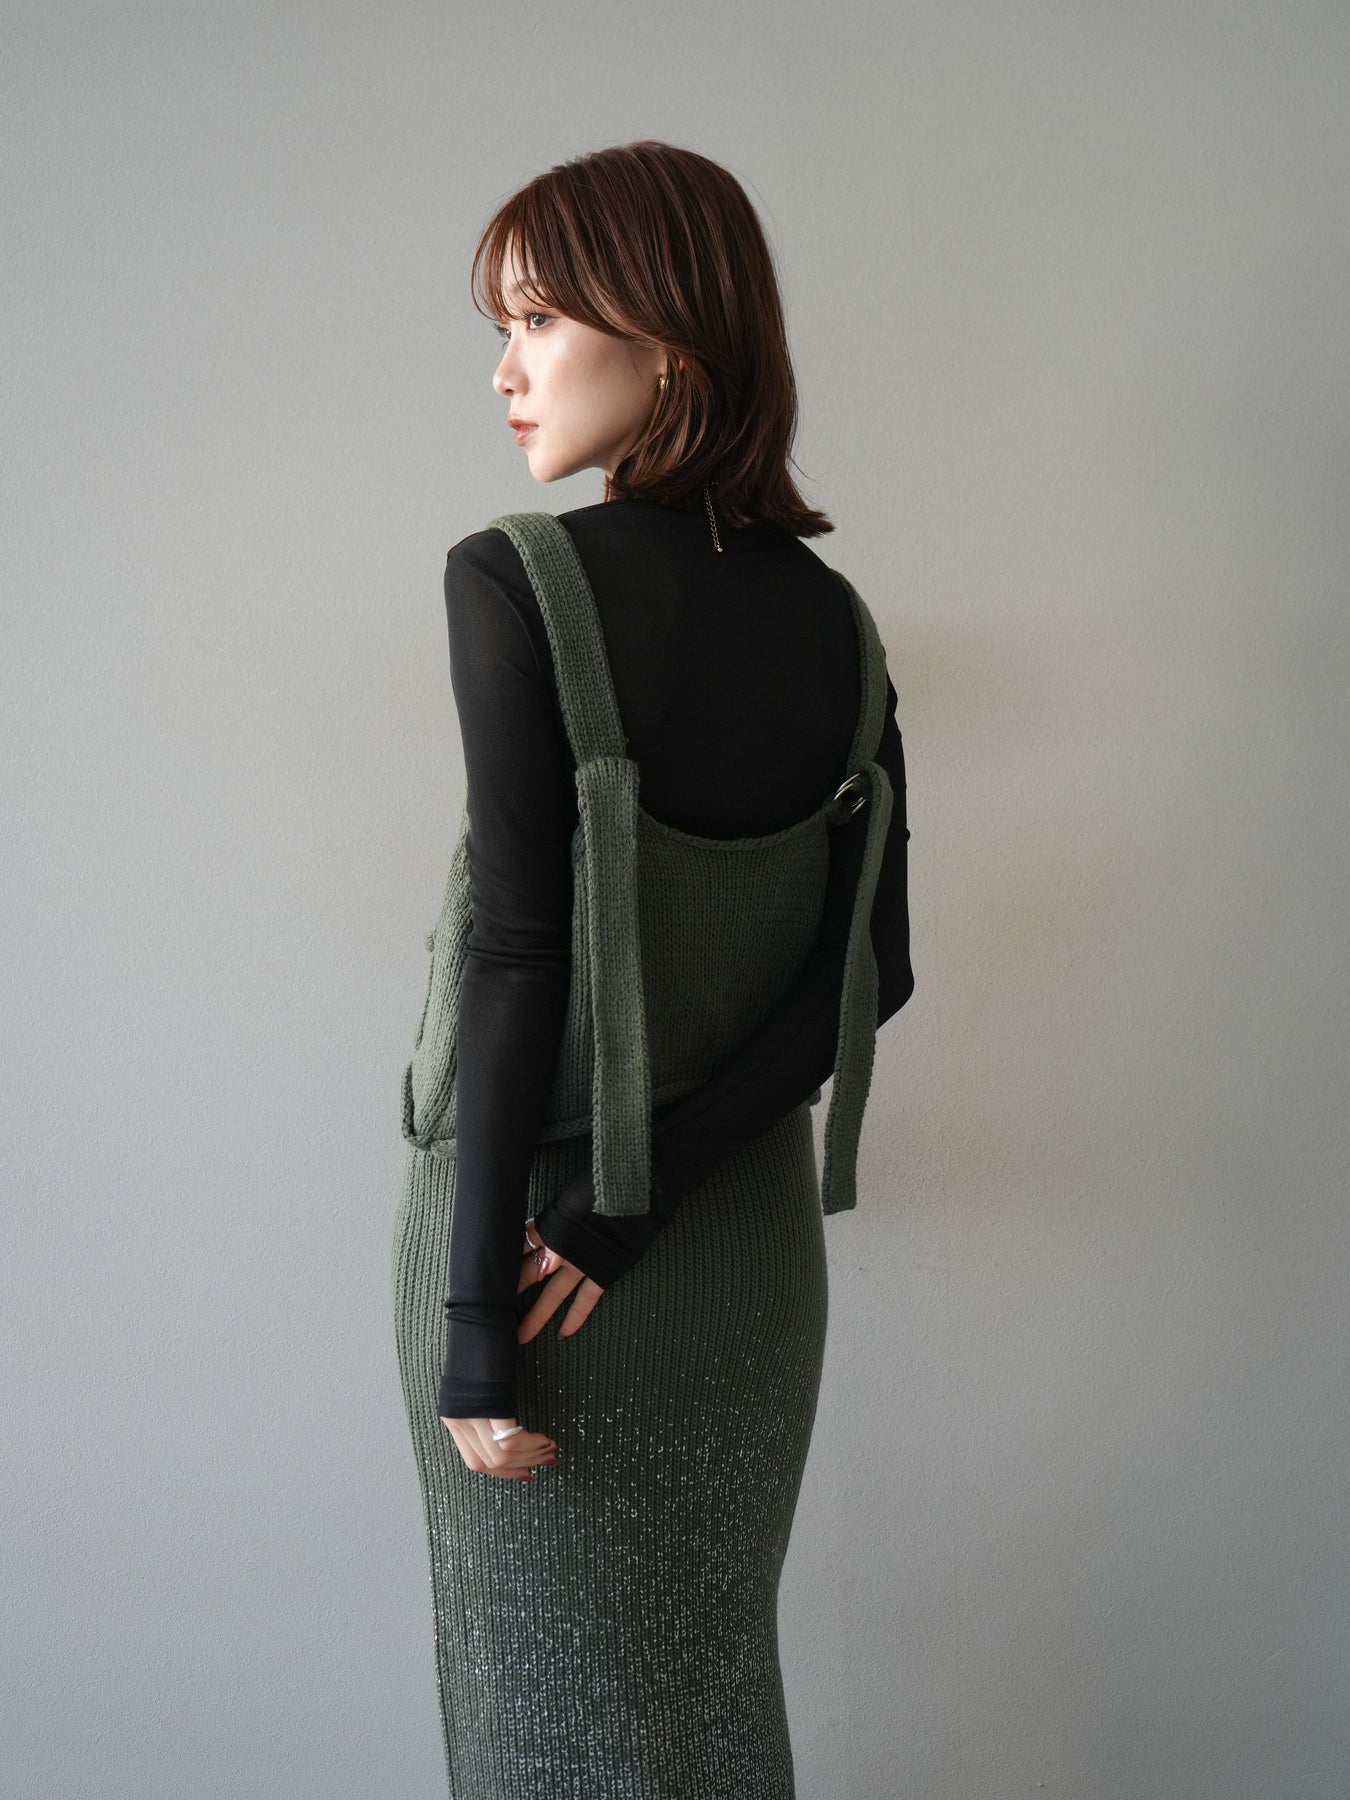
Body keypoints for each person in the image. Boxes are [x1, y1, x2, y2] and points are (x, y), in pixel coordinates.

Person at [390, 139, 913, 1798]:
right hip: (741, 1259)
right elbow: (872, 971)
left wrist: (479, 1321)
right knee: (701, 1706)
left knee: (540, 1730)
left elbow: (517, 952)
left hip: (527, 1253)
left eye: (538, 320)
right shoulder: (837, 623)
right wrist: (655, 1196)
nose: (504, 370)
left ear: (667, 339)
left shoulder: (516, 579)